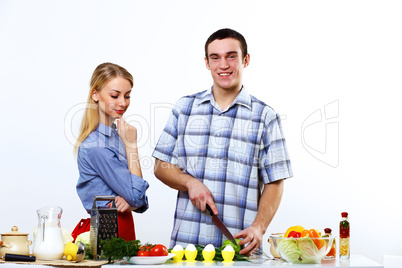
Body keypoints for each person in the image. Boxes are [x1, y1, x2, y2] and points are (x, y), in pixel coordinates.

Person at [152, 28, 293, 255]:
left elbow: (275, 181)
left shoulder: (265, 117)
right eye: (215, 57)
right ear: (207, 63)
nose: (223, 65)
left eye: (231, 56)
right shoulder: (184, 109)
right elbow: (160, 166)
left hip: (239, 250)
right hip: (186, 250)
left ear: (245, 60)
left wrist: (259, 227)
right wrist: (189, 182)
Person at [75, 62, 149, 241]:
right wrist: (132, 146)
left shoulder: (117, 136)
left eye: (127, 96)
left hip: (123, 225)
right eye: (115, 95)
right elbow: (138, 197)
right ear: (95, 94)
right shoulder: (96, 146)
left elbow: (139, 200)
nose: (123, 103)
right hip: (106, 233)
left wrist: (131, 203)